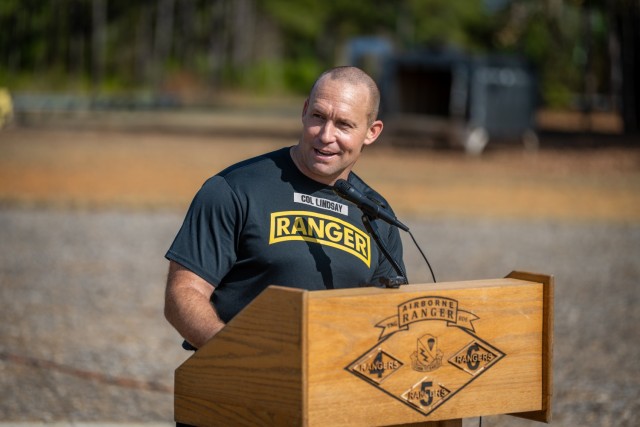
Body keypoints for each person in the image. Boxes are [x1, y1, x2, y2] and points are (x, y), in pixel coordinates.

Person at [164, 66, 405, 350]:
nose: (326, 135)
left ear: (371, 132)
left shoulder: (376, 214)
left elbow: (389, 316)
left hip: (333, 383)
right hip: (242, 380)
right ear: (304, 111)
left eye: (344, 124)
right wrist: (235, 356)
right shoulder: (234, 189)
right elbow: (183, 294)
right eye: (318, 116)